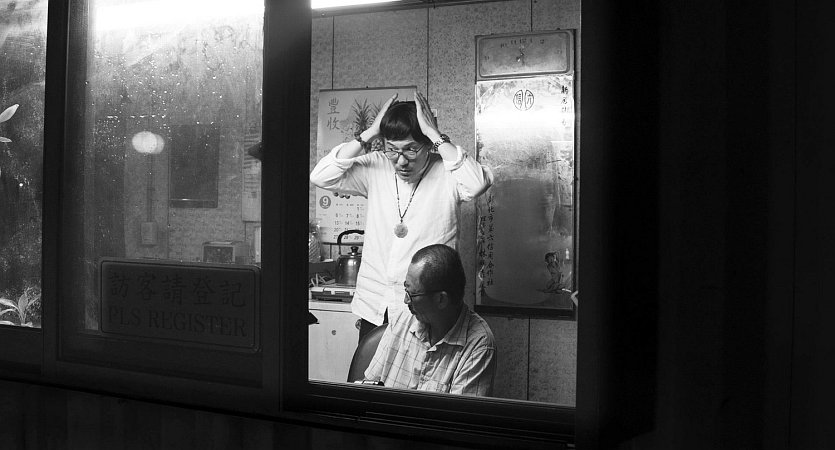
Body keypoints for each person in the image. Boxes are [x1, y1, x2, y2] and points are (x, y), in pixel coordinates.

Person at [310, 92, 493, 341]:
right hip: (376, 304)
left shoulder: (447, 172)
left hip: (428, 307)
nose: (400, 161)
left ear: (428, 145)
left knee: (426, 367)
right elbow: (320, 176)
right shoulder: (376, 166)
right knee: (369, 367)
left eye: (411, 149)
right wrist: (369, 133)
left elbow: (478, 183)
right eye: (392, 150)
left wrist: (434, 133)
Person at [361, 244, 496, 396]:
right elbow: (368, 389)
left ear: (441, 299)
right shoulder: (401, 321)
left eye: (412, 294)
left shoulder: (478, 344)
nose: (406, 300)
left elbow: (459, 411)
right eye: (406, 289)